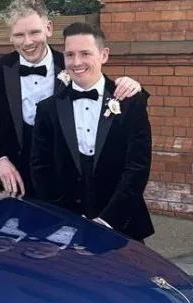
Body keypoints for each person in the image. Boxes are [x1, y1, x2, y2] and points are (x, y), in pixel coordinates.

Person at [0, 0, 144, 199]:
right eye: (19, 35)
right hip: (15, 188)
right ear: (10, 36)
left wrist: (132, 86)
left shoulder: (72, 64)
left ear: (48, 29)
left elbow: (107, 95)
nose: (28, 42)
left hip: (67, 192)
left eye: (34, 32)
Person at [29, 22, 154, 242]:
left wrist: (108, 220)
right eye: (70, 55)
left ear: (103, 55)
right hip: (64, 225)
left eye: (85, 53)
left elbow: (137, 167)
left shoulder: (130, 102)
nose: (76, 62)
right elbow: (41, 167)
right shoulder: (48, 109)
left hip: (123, 223)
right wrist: (62, 218)